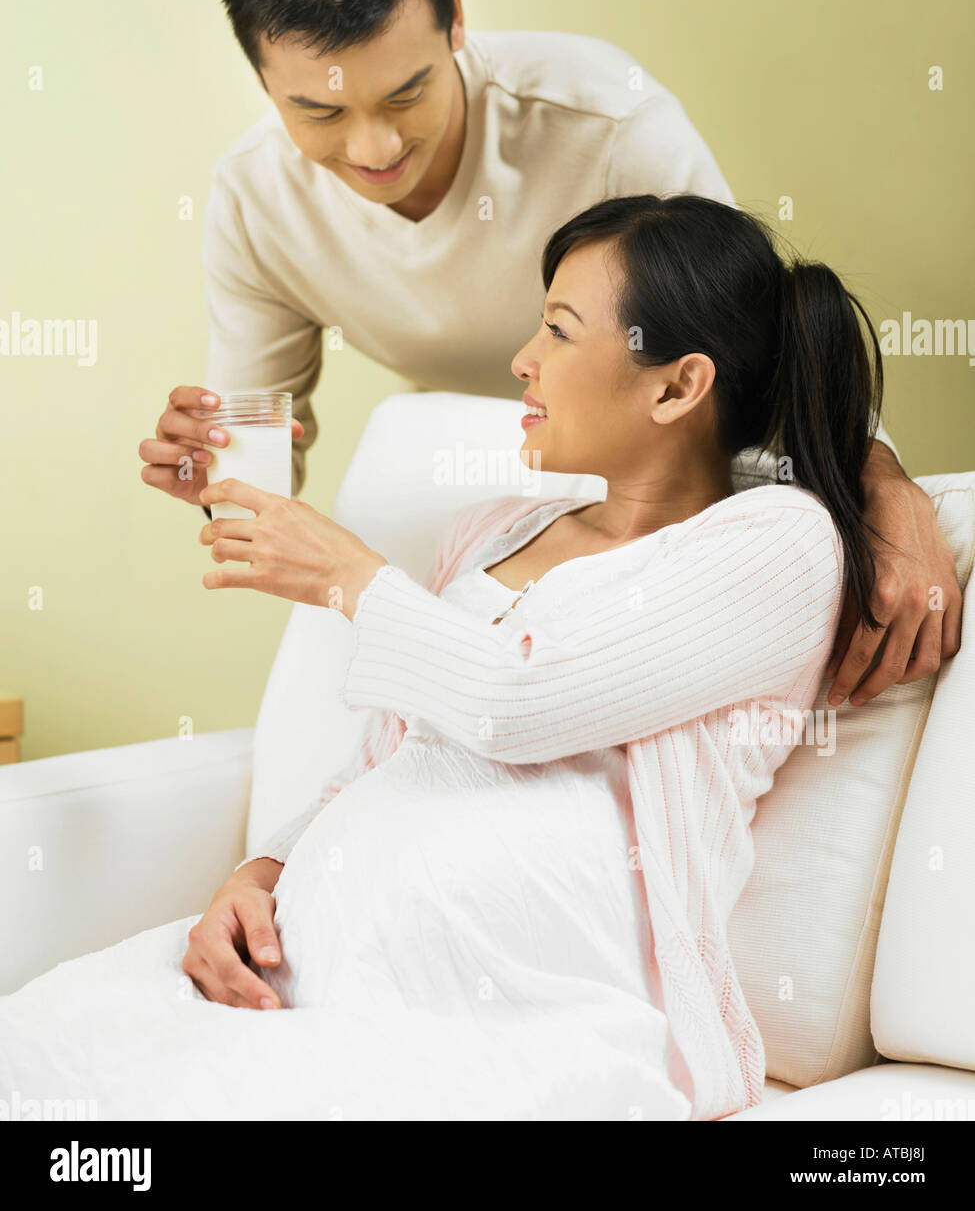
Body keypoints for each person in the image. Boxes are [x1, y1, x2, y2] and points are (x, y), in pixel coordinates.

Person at [3, 193, 917, 1120]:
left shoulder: (775, 543)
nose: (523, 359)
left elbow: (516, 701)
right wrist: (260, 875)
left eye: (559, 331)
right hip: (307, 969)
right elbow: (388, 753)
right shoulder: (493, 530)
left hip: (514, 1012)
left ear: (677, 387)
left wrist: (346, 577)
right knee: (39, 1049)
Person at [137, 0, 962, 716]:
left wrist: (886, 490)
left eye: (406, 92)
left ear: (456, 14)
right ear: (263, 81)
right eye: (318, 113)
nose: (374, 147)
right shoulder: (254, 197)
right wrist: (213, 474)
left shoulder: (604, 120)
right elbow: (255, 459)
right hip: (504, 499)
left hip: (667, 490)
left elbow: (752, 326)